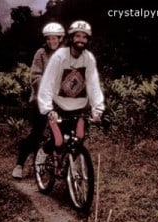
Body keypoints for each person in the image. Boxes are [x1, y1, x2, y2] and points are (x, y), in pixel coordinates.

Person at [37, 20, 105, 151]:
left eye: (85, 37)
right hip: (59, 107)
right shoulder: (59, 56)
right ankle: (44, 155)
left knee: (78, 140)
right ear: (71, 37)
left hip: (79, 108)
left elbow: (93, 84)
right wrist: (48, 109)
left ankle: (71, 169)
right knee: (58, 142)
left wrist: (98, 108)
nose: (81, 40)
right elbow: (47, 83)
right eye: (78, 36)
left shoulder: (88, 58)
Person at [12, 22, 65, 179]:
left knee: (63, 134)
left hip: (60, 102)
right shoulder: (41, 54)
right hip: (40, 101)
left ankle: (51, 163)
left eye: (54, 38)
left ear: (60, 39)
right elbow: (35, 77)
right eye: (48, 39)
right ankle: (19, 165)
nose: (51, 42)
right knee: (36, 134)